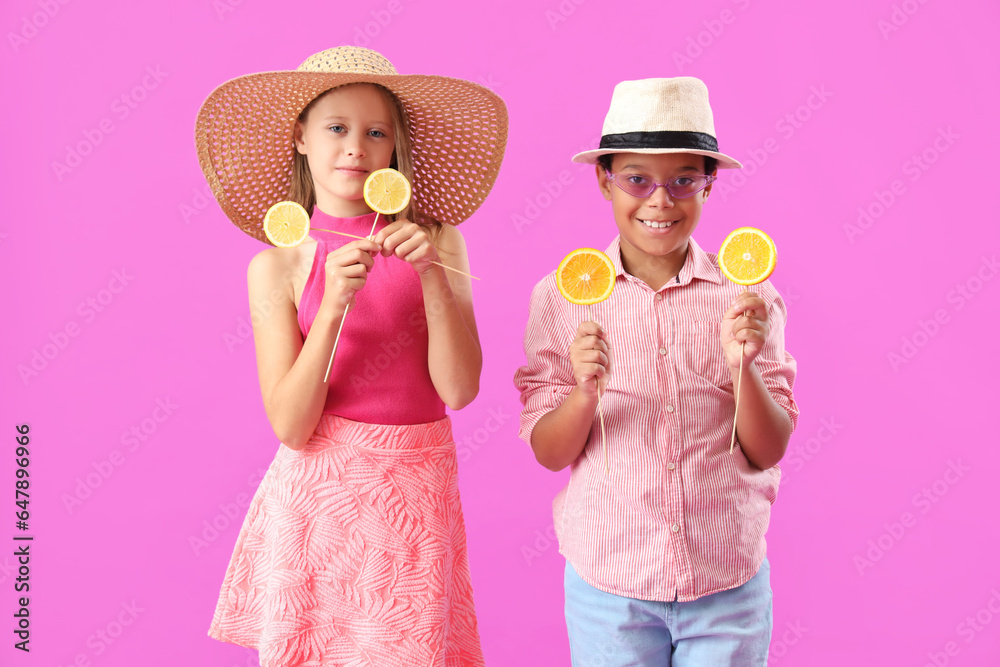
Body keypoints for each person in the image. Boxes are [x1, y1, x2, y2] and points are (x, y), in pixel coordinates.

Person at [196, 46, 507, 666]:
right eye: (336, 128)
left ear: (395, 148)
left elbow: (460, 389)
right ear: (301, 139)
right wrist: (334, 303)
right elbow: (289, 424)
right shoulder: (277, 264)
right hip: (319, 491)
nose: (355, 148)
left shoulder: (439, 241)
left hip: (416, 487)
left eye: (376, 132)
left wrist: (431, 279)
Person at [513, 77, 799, 666]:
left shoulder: (749, 296)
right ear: (604, 179)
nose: (660, 201)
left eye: (683, 181)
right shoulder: (562, 298)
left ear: (708, 184)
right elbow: (548, 451)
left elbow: (767, 450)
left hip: (727, 584)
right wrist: (585, 391)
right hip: (609, 587)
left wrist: (743, 367)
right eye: (637, 179)